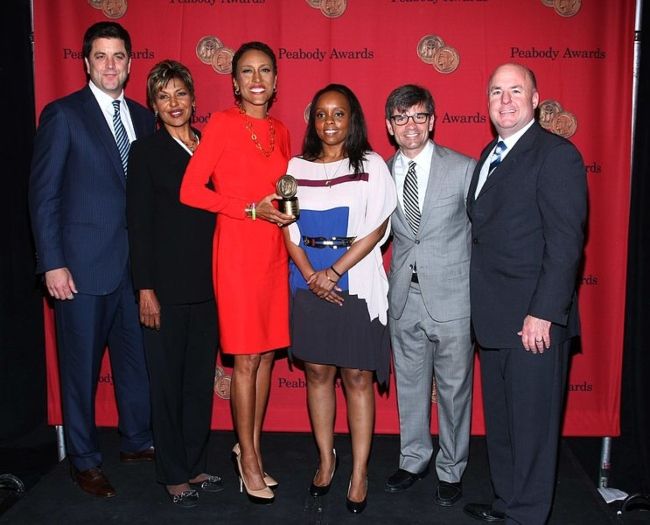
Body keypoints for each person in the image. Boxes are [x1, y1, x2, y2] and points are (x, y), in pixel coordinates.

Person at [28, 21, 154, 498]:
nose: (109, 65)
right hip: (79, 269)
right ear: (86, 63)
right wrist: (52, 262)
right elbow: (43, 197)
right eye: (100, 56)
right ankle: (84, 459)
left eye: (118, 56)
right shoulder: (63, 115)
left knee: (136, 361)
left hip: (134, 269)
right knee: (79, 369)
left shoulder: (143, 118)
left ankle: (137, 440)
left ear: (128, 62)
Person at [463, 63, 587, 524]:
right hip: (493, 320)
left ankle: (528, 515)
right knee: (505, 427)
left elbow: (565, 243)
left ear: (536, 100)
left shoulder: (556, 155)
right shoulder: (490, 155)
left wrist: (544, 313)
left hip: (533, 323)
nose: (506, 99)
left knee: (532, 430)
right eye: (496, 91)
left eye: (517, 90)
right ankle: (507, 503)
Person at [180, 41, 293, 504]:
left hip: (273, 253)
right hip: (238, 253)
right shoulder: (223, 125)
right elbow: (191, 190)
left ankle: (252, 447)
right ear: (234, 81)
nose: (257, 79)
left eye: (265, 70)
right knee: (245, 359)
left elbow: (282, 192)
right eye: (247, 71)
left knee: (266, 356)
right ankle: (246, 459)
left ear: (275, 80)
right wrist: (248, 209)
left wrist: (283, 214)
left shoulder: (282, 130)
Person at [283, 84, 397, 514]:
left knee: (356, 378)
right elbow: (288, 228)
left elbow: (375, 229)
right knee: (316, 373)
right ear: (312, 121)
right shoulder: (295, 166)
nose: (329, 123)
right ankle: (326, 461)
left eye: (339, 114)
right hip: (308, 283)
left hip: (354, 282)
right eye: (321, 115)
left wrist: (333, 272)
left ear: (353, 120)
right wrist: (313, 275)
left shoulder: (370, 165)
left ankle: (360, 470)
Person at [126, 60, 222, 508]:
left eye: (180, 94)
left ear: (193, 98)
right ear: (154, 105)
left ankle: (195, 462)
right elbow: (139, 225)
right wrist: (145, 289)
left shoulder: (210, 145)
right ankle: (171, 474)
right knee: (166, 384)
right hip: (163, 290)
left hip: (211, 285)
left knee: (198, 382)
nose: (174, 103)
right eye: (163, 97)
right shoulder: (146, 152)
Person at [383, 85, 476, 507]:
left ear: (433, 121)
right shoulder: (381, 173)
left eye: (419, 116)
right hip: (404, 297)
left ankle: (452, 467)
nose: (411, 126)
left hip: (454, 298)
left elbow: (485, 235)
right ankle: (414, 457)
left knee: (455, 389)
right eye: (401, 118)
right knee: (410, 384)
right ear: (389, 126)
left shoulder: (464, 169)